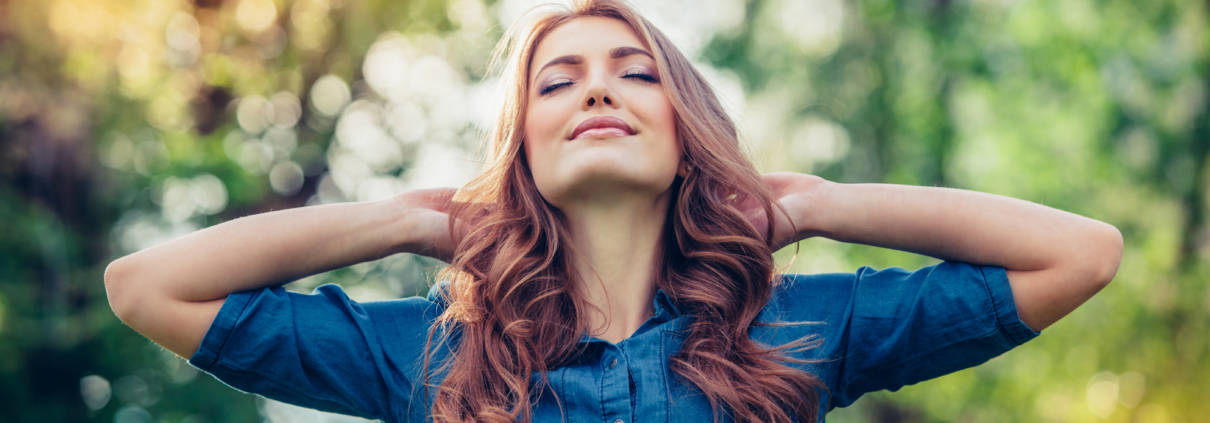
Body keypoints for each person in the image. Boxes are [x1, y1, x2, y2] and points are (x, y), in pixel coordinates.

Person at [103, 0, 1123, 422]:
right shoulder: (430, 356)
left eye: (635, 74)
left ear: (686, 133)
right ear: (524, 151)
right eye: (557, 83)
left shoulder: (802, 335)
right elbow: (149, 287)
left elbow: (1077, 255)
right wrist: (415, 220)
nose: (596, 91)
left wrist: (818, 206)